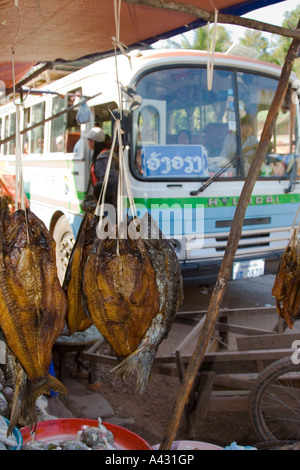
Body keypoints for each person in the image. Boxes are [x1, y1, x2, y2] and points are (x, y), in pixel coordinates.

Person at [87, 127, 118, 207]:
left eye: (89, 140)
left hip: (106, 202)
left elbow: (107, 184)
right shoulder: (105, 154)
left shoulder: (102, 158)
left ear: (93, 142)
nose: (88, 143)